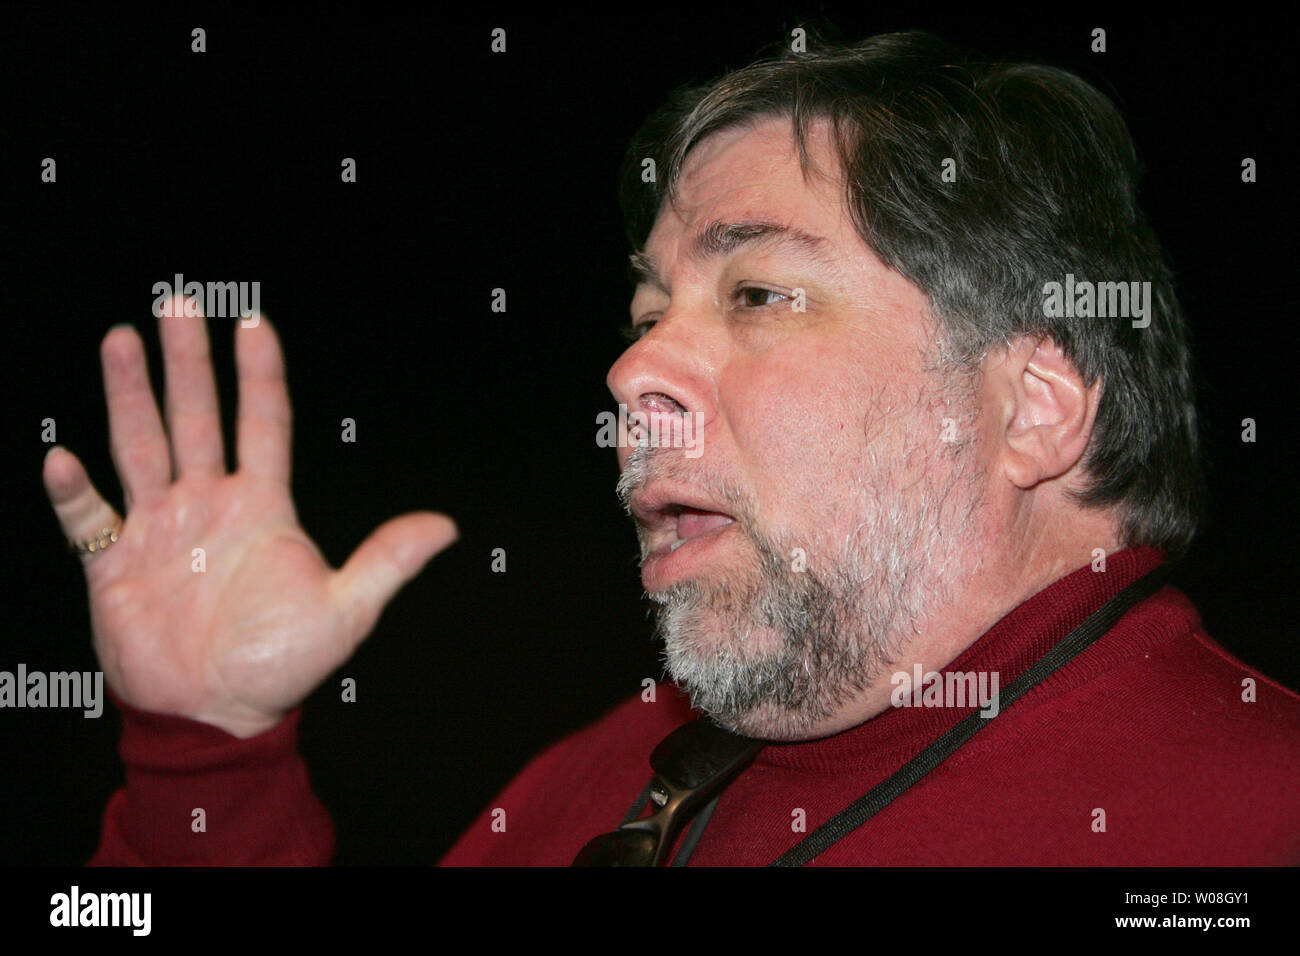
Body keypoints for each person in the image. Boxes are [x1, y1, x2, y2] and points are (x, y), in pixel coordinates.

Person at [44, 31, 1300, 866]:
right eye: (647, 313)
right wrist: (204, 756)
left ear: (1035, 405)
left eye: (758, 293)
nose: (631, 368)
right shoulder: (583, 791)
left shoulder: (1249, 821)